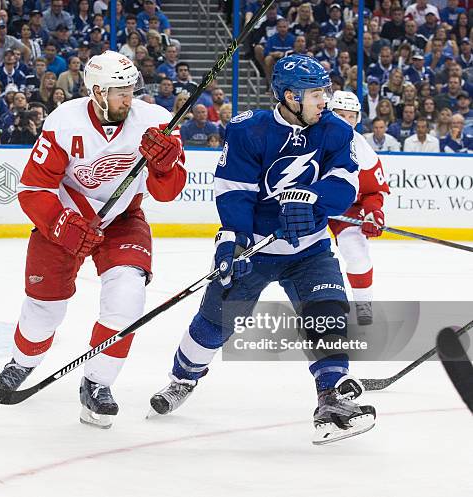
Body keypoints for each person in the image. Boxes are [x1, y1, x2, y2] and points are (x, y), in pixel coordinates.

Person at [148, 54, 376, 444]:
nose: (326, 100)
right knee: (215, 322)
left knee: (328, 313)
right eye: (317, 93)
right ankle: (183, 377)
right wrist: (233, 238)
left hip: (310, 249)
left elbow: (345, 185)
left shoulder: (336, 131)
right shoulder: (249, 130)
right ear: (290, 96)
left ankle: (331, 394)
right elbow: (234, 191)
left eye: (325, 91)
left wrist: (313, 200)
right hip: (256, 247)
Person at [0, 51, 186, 429]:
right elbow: (34, 187)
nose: (129, 99)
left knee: (127, 299)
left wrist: (164, 164)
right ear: (96, 91)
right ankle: (24, 360)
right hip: (66, 220)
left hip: (121, 220)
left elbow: (167, 193)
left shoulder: (157, 121)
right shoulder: (65, 120)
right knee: (43, 310)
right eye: (120, 92)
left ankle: (97, 384)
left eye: (132, 90)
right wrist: (61, 223)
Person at [327, 91, 390, 325]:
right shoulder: (308, 138)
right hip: (310, 207)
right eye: (340, 115)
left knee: (358, 254)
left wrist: (374, 212)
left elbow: (374, 191)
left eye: (351, 116)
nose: (346, 121)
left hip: (346, 209)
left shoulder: (363, 151)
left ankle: (363, 303)